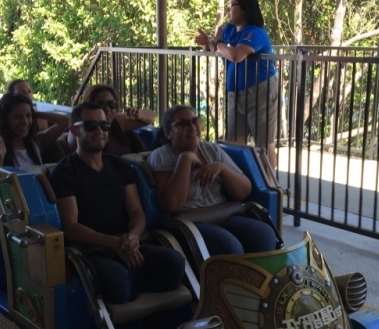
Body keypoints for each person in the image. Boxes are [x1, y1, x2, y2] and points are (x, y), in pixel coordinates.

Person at [49, 101, 185, 305]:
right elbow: (71, 226)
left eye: (104, 125)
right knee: (117, 281)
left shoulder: (120, 166)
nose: (100, 131)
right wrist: (115, 244)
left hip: (127, 243)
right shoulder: (64, 172)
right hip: (93, 250)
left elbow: (137, 212)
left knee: (174, 263)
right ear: (74, 130)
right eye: (91, 126)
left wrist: (133, 236)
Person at [149, 105, 277, 256]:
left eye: (195, 121)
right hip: (188, 223)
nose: (192, 127)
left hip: (220, 213)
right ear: (168, 133)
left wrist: (221, 168)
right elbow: (172, 206)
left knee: (265, 235)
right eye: (183, 124)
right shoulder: (161, 156)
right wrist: (185, 158)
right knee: (230, 247)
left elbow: (244, 191)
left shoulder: (211, 150)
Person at [195, 0, 279, 169]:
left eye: (232, 5)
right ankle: (242, 178)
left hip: (259, 93)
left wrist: (218, 42)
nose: (228, 9)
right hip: (236, 95)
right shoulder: (230, 29)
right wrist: (207, 43)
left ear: (245, 9)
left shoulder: (255, 32)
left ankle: (269, 183)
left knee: (263, 144)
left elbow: (236, 55)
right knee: (233, 141)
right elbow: (215, 49)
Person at [0, 92, 70, 170]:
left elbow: (66, 121)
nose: (25, 122)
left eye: (28, 116)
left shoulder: (36, 141)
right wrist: (0, 157)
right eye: (17, 117)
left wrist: (34, 113)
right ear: (5, 119)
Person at [82, 85, 154, 157]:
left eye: (112, 104)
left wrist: (139, 115)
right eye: (101, 105)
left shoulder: (117, 122)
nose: (107, 109)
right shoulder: (83, 129)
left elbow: (151, 116)